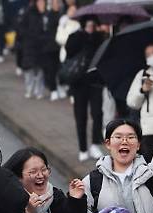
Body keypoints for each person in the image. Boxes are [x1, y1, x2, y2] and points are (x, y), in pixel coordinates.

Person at [65, 17, 107, 162]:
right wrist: (83, 37)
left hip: (95, 81)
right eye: (88, 24)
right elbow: (69, 52)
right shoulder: (75, 36)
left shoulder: (100, 37)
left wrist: (97, 36)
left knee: (97, 113)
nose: (90, 27)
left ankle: (95, 143)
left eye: (93, 25)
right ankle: (82, 148)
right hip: (79, 82)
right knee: (80, 116)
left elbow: (103, 56)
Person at [18, 0, 58, 99]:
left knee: (40, 70)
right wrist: (27, 37)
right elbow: (21, 27)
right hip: (30, 46)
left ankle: (38, 91)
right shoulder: (29, 13)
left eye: (43, 3)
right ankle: (29, 89)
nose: (42, 5)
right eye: (40, 3)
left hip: (43, 46)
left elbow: (50, 30)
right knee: (29, 69)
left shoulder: (47, 15)